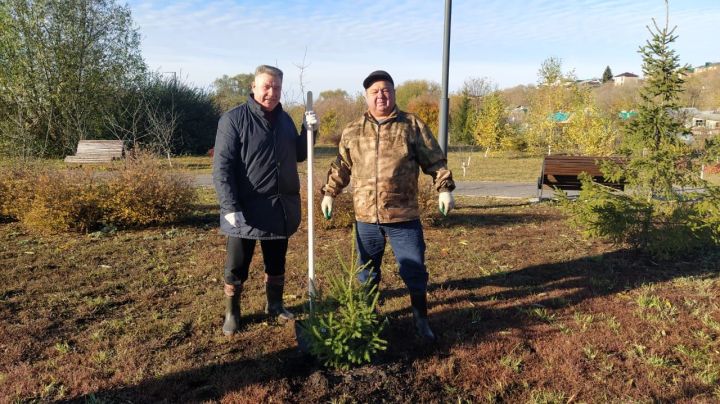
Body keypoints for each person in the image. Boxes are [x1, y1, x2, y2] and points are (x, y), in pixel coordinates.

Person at [320, 70, 455, 342]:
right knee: (366, 273)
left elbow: (435, 160)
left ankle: (421, 320)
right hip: (366, 217)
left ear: (393, 93)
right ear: (366, 96)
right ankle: (366, 320)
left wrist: (445, 189)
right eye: (375, 91)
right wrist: (329, 193)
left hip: (403, 215)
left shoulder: (412, 125)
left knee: (414, 270)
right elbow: (342, 166)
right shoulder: (353, 130)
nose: (381, 95)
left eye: (386, 90)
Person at [213, 65, 318, 336]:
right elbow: (222, 167)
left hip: (278, 208)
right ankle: (232, 312)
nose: (272, 92)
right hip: (245, 210)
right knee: (237, 265)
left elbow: (298, 155)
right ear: (254, 86)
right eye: (266, 86)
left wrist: (310, 132)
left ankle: (275, 305)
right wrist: (229, 206)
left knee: (276, 262)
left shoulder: (284, 120)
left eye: (277, 87)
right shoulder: (233, 119)